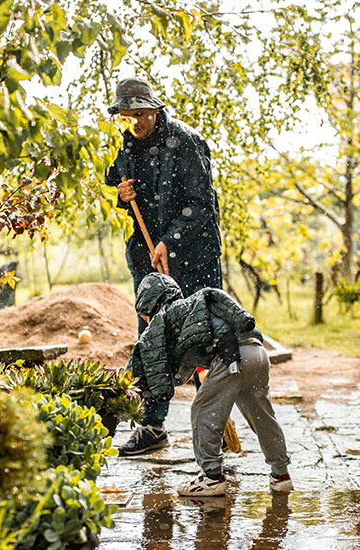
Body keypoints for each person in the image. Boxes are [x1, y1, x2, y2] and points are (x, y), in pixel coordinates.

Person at [105, 76, 223, 455]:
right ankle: (153, 426)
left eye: (141, 114)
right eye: (128, 116)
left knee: (202, 336)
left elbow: (202, 206)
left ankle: (214, 424)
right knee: (153, 339)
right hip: (149, 259)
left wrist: (168, 242)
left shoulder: (185, 142)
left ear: (155, 110)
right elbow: (117, 179)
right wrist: (124, 194)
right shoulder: (126, 144)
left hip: (193, 257)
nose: (135, 122)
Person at [124, 273, 292, 497]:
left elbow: (150, 355)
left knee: (203, 410)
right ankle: (281, 474)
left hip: (231, 358)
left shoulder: (162, 318)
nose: (146, 320)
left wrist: (142, 386)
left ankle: (211, 477)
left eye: (145, 315)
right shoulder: (193, 308)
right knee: (261, 416)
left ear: (150, 305)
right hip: (257, 351)